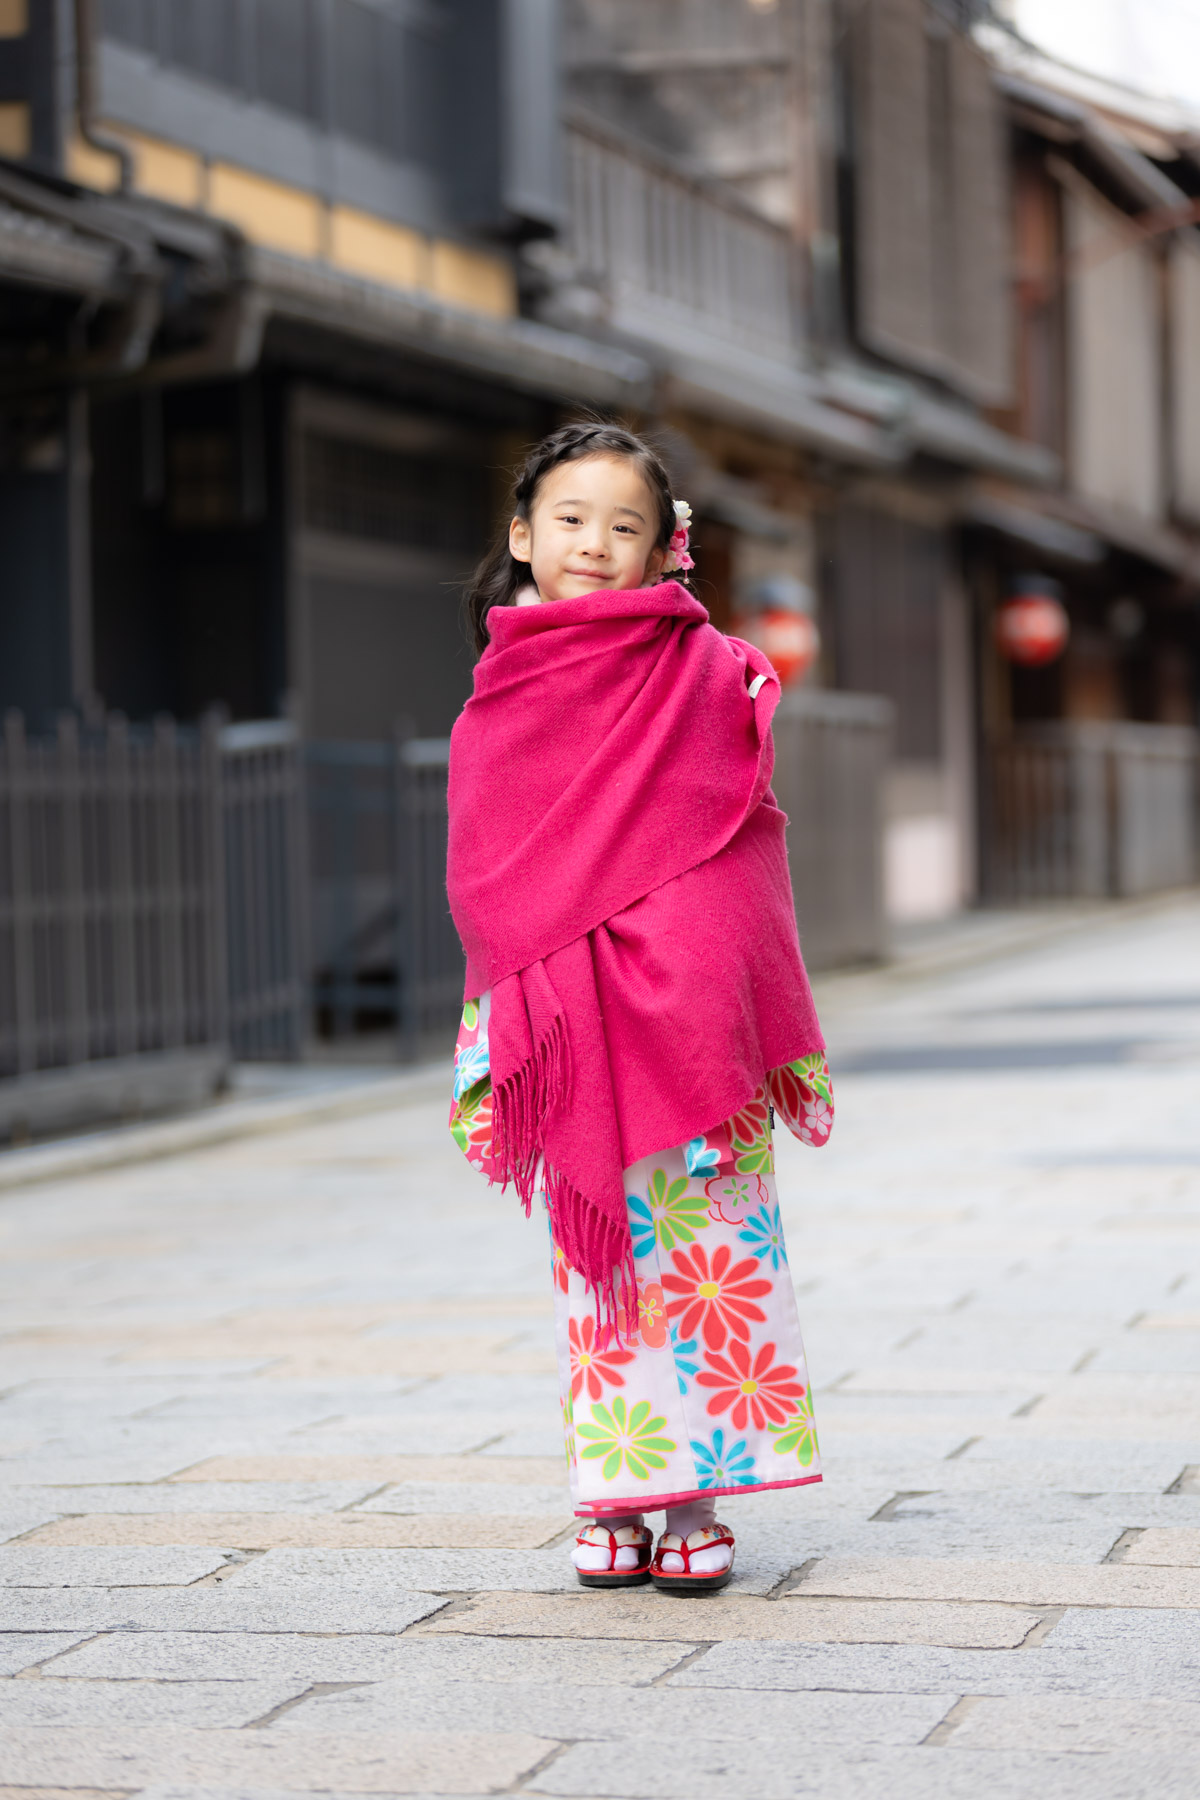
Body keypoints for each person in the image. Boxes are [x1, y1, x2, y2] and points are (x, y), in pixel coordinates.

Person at [446, 421, 833, 1595]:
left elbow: (736, 833)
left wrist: (696, 958)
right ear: (523, 535)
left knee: (709, 1248)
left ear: (667, 548)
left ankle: (699, 1499)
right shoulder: (501, 691)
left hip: (688, 998)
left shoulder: (703, 668)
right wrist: (537, 972)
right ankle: (617, 1488)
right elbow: (489, 868)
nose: (595, 543)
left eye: (625, 526)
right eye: (570, 519)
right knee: (598, 1258)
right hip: (571, 1001)